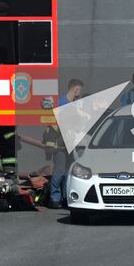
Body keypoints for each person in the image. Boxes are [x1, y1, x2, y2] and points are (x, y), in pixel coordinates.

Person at [46, 78, 84, 208]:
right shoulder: (62, 104)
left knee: (67, 172)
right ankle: (54, 198)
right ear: (76, 89)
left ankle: (63, 197)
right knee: (60, 170)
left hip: (68, 143)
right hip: (59, 144)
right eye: (79, 90)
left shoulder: (68, 103)